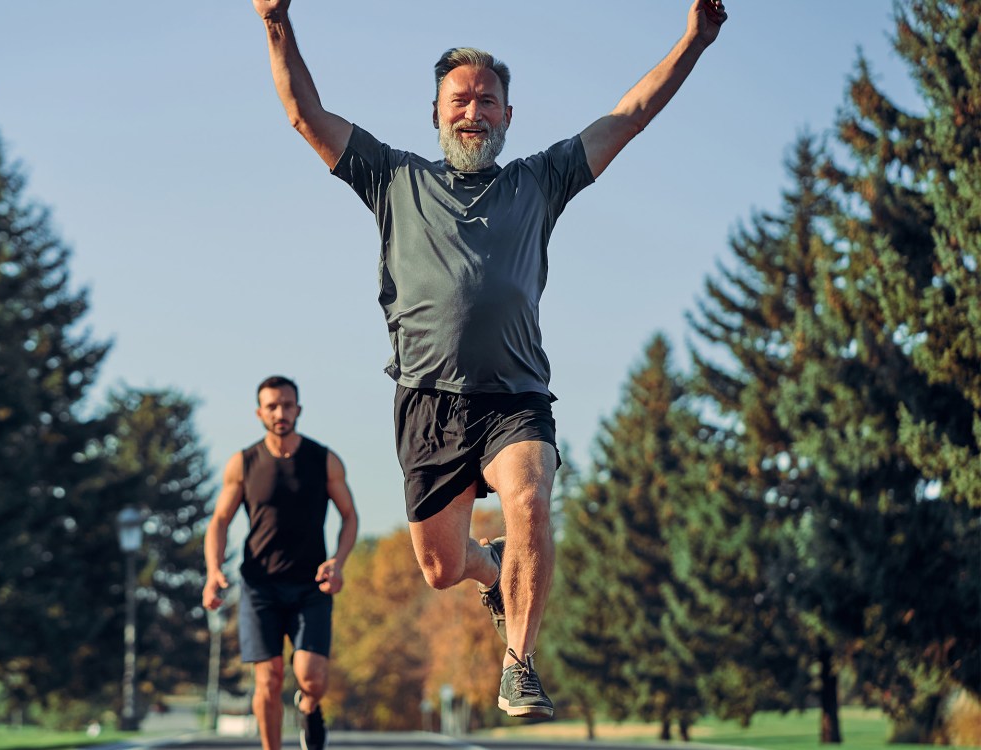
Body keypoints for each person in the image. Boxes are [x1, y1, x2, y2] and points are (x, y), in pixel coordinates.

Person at [250, 0, 727, 720]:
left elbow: (630, 114)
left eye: (487, 100)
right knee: (442, 568)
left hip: (515, 397)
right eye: (459, 99)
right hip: (428, 402)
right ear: (437, 114)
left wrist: (693, 40)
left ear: (508, 115)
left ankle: (519, 664)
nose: (473, 110)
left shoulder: (542, 179)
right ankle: (491, 564)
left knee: (533, 498)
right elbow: (303, 114)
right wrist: (275, 20)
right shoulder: (391, 177)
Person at [204, 375, 358, 750]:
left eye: (287, 405)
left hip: (311, 586)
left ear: (298, 409)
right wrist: (212, 572)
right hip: (260, 587)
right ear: (259, 412)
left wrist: (337, 562)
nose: (280, 412)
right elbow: (219, 521)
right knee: (268, 679)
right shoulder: (243, 463)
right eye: (272, 406)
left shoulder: (324, 460)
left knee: (312, 677)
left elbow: (349, 515)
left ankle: (309, 706)